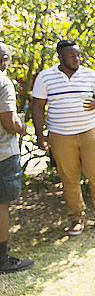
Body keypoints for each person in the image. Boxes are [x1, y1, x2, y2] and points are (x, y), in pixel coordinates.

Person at [32, 40, 95, 236]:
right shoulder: (45, 77)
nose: (77, 59)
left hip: (89, 132)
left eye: (78, 55)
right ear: (60, 57)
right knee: (69, 178)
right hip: (60, 135)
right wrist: (40, 134)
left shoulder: (89, 74)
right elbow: (37, 107)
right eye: (72, 56)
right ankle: (76, 218)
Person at [0, 42, 34, 273]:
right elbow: (9, 123)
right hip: (2, 155)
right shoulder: (3, 83)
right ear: (3, 60)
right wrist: (22, 126)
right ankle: (2, 260)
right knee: (2, 205)